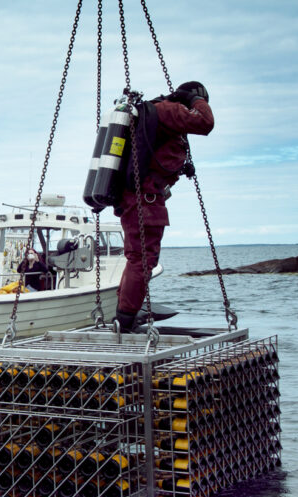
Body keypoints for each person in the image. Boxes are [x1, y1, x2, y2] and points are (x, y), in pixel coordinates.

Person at [113, 81, 214, 332]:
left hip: (137, 196)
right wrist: (194, 101)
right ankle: (125, 320)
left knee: (138, 257)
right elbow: (205, 123)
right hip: (144, 199)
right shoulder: (171, 110)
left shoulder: (157, 114)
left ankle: (125, 315)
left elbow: (154, 158)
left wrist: (180, 168)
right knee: (143, 258)